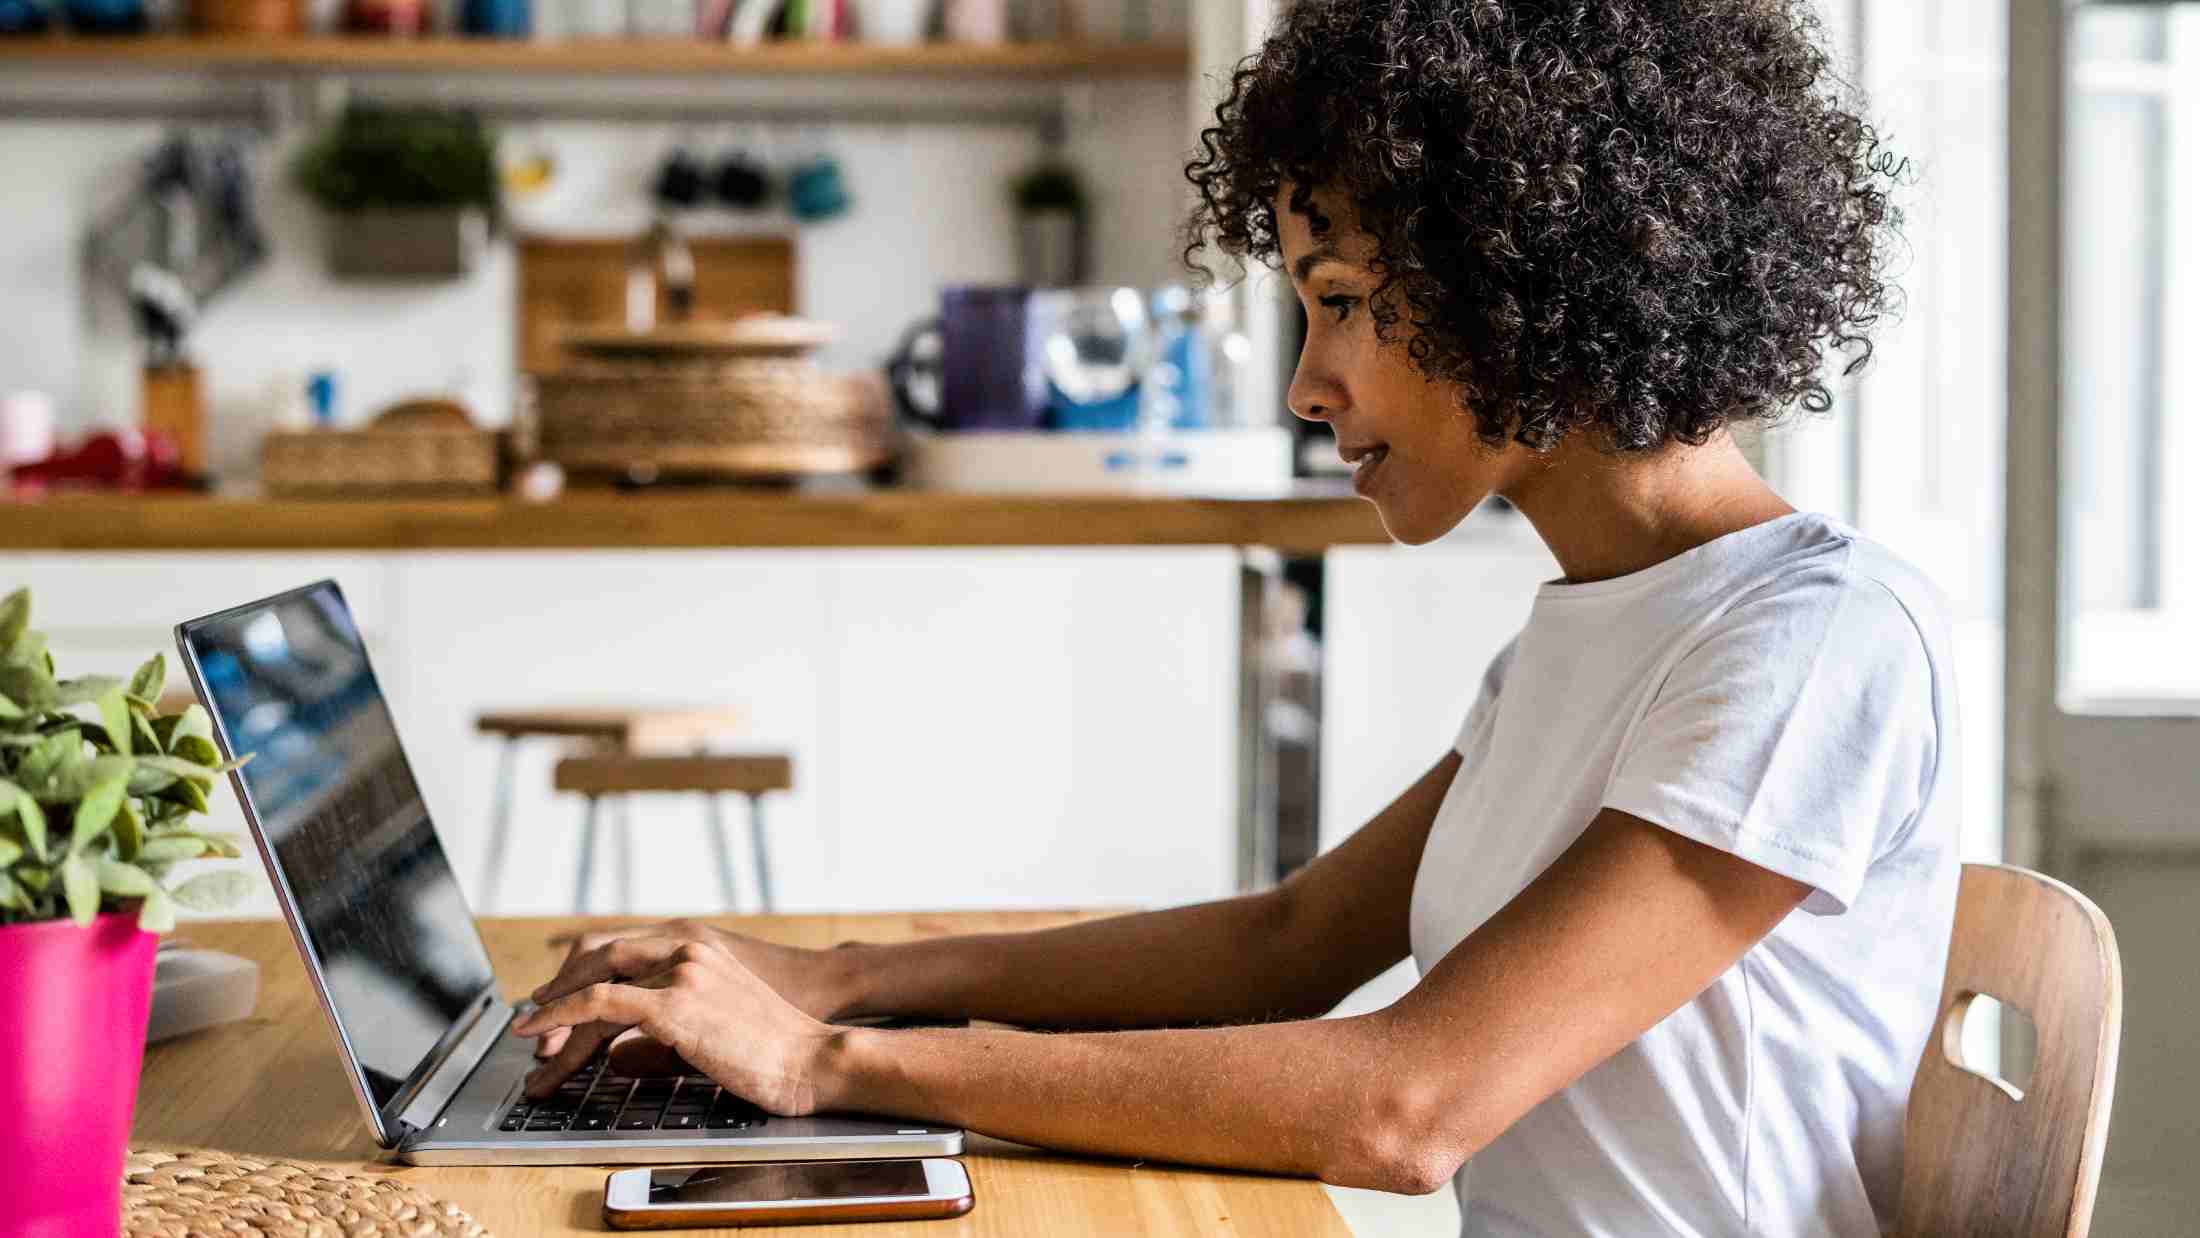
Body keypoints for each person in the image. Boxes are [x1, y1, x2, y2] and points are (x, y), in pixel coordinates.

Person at [514, 2, 1956, 1233]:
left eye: (1338, 303)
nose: (1306, 383)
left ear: (1517, 283)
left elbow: (1411, 1101)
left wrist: (834, 1060)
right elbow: (1292, 937)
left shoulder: (1811, 642)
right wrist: (841, 978)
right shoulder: (1591, 630)